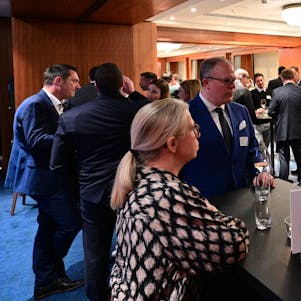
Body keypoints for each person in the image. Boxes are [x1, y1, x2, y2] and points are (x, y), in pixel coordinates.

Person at [109, 99, 249, 301]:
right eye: (193, 128)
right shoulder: (166, 196)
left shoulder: (139, 181)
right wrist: (214, 212)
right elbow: (234, 244)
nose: (198, 134)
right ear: (172, 144)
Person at [50, 63, 147, 301]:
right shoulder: (137, 110)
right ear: (122, 84)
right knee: (138, 248)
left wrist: (77, 188)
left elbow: (57, 164)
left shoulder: (72, 117)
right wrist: (134, 92)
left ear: (95, 86)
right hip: (133, 189)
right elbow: (156, 111)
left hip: (91, 192)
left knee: (95, 254)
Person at [5, 64, 83, 300]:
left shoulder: (51, 104)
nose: (78, 86)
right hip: (41, 178)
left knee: (48, 227)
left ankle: (48, 280)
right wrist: (73, 136)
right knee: (71, 223)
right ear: (58, 81)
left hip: (48, 176)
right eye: (74, 81)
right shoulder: (35, 104)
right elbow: (37, 141)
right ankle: (48, 272)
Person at [180, 57, 274, 199]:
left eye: (233, 80)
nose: (233, 86)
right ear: (206, 83)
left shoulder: (241, 111)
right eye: (227, 81)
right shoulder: (185, 114)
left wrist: (260, 172)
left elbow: (252, 150)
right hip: (202, 200)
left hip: (241, 196)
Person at [268, 68, 301, 184]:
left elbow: (271, 111)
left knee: (284, 158)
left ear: (282, 78)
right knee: (300, 158)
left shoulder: (277, 91)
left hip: (282, 130)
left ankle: (284, 182)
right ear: (293, 77)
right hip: (299, 130)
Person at [250, 72, 271, 157]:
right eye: (258, 81)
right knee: (260, 146)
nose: (260, 82)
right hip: (257, 124)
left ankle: (265, 160)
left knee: (266, 144)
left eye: (261, 80)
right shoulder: (251, 93)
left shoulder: (270, 92)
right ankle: (264, 160)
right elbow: (250, 108)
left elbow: (273, 105)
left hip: (268, 124)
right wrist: (256, 111)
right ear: (255, 82)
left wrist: (266, 109)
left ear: (264, 80)